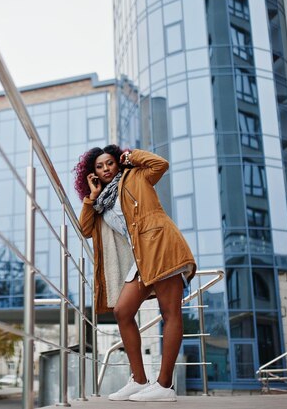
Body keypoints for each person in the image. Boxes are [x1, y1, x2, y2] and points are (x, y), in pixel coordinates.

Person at [74, 145, 196, 402]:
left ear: (117, 162)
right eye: (99, 166)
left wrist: (130, 156)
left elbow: (161, 164)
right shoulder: (102, 201)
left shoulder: (137, 176)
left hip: (161, 244)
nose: (106, 168)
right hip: (141, 257)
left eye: (109, 163)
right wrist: (92, 196)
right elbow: (85, 229)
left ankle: (164, 385)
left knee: (170, 312)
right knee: (123, 311)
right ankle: (139, 379)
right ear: (92, 173)